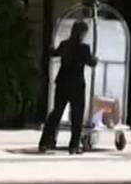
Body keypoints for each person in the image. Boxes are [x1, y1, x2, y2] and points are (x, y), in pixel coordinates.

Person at [39, 20, 98, 154]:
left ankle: (44, 142)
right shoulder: (84, 48)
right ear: (83, 33)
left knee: (56, 113)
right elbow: (91, 62)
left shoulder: (65, 44)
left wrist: (51, 49)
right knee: (77, 116)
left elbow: (54, 53)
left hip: (62, 83)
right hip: (77, 85)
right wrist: (95, 59)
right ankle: (74, 145)